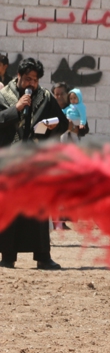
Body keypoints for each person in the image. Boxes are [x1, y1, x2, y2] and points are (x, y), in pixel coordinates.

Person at [0, 57, 68, 270]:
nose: (31, 84)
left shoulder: (46, 97)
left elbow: (63, 123)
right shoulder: (3, 96)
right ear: (18, 76)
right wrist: (16, 109)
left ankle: (42, 256)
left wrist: (48, 128)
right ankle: (8, 256)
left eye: (35, 80)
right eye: (27, 79)